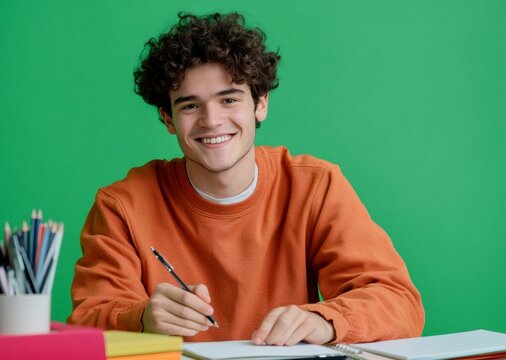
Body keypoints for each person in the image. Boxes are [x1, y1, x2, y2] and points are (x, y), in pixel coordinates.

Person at [68, 12, 424, 345]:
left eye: (228, 100)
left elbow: (399, 301)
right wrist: (141, 320)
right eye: (190, 105)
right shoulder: (122, 206)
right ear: (167, 118)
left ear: (260, 104)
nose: (211, 120)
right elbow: (85, 323)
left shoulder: (315, 186)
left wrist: (325, 321)